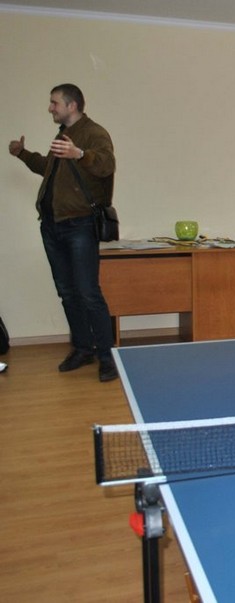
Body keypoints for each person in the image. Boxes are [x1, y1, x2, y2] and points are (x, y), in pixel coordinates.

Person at [8, 83, 118, 382]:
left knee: (88, 292)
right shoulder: (63, 135)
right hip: (53, 225)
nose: (50, 108)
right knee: (67, 292)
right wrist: (22, 154)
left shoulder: (94, 133)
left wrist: (79, 153)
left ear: (72, 105)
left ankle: (107, 357)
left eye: (54, 103)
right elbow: (49, 168)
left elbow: (106, 164)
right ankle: (82, 348)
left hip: (79, 224)